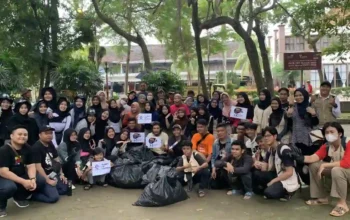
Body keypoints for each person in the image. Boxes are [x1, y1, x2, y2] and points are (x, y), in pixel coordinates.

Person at [295, 122, 350, 217]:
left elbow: (346, 163)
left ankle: (342, 204)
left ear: (340, 133)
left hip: (345, 170)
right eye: (327, 132)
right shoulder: (327, 146)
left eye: (332, 132)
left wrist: (325, 165)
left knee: (336, 169)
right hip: (341, 171)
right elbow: (313, 157)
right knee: (314, 165)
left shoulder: (348, 142)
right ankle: (322, 197)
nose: (329, 134)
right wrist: (298, 157)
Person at [0, 125, 46, 217]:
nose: (23, 136)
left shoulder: (28, 148)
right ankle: (1, 206)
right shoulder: (4, 150)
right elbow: (3, 172)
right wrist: (24, 182)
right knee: (9, 187)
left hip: (18, 174)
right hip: (3, 177)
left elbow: (31, 165)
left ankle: (19, 197)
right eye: (19, 134)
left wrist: (32, 179)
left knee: (40, 180)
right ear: (12, 136)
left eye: (25, 134)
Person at [32, 126, 68, 203]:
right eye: (46, 133)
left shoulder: (50, 143)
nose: (49, 135)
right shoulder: (36, 147)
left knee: (66, 189)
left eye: (51, 133)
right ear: (40, 135)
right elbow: (38, 167)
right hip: (42, 176)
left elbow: (57, 159)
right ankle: (33, 195)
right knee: (54, 198)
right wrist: (47, 180)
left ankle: (51, 189)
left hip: (53, 173)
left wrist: (62, 174)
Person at [262, 127, 300, 201]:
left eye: (268, 136)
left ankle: (288, 192)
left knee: (268, 193)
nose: (266, 138)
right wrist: (259, 164)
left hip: (287, 178)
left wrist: (273, 181)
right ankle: (272, 189)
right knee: (257, 175)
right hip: (277, 174)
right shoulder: (270, 150)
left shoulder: (284, 150)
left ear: (275, 136)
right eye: (265, 136)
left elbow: (289, 173)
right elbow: (265, 168)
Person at [287, 88, 319, 156]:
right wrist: (289, 116)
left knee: (308, 156)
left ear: (305, 95)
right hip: (296, 136)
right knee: (297, 157)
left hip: (309, 137)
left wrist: (313, 114)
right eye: (296, 95)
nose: (298, 97)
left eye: (300, 95)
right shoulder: (293, 107)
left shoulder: (311, 106)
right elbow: (289, 124)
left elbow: (315, 123)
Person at [211, 123, 233, 189]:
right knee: (214, 186)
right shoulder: (215, 143)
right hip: (218, 165)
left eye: (222, 130)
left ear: (226, 131)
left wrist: (231, 165)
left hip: (229, 164)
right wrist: (213, 169)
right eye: (218, 131)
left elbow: (234, 156)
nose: (220, 133)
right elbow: (213, 157)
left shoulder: (232, 142)